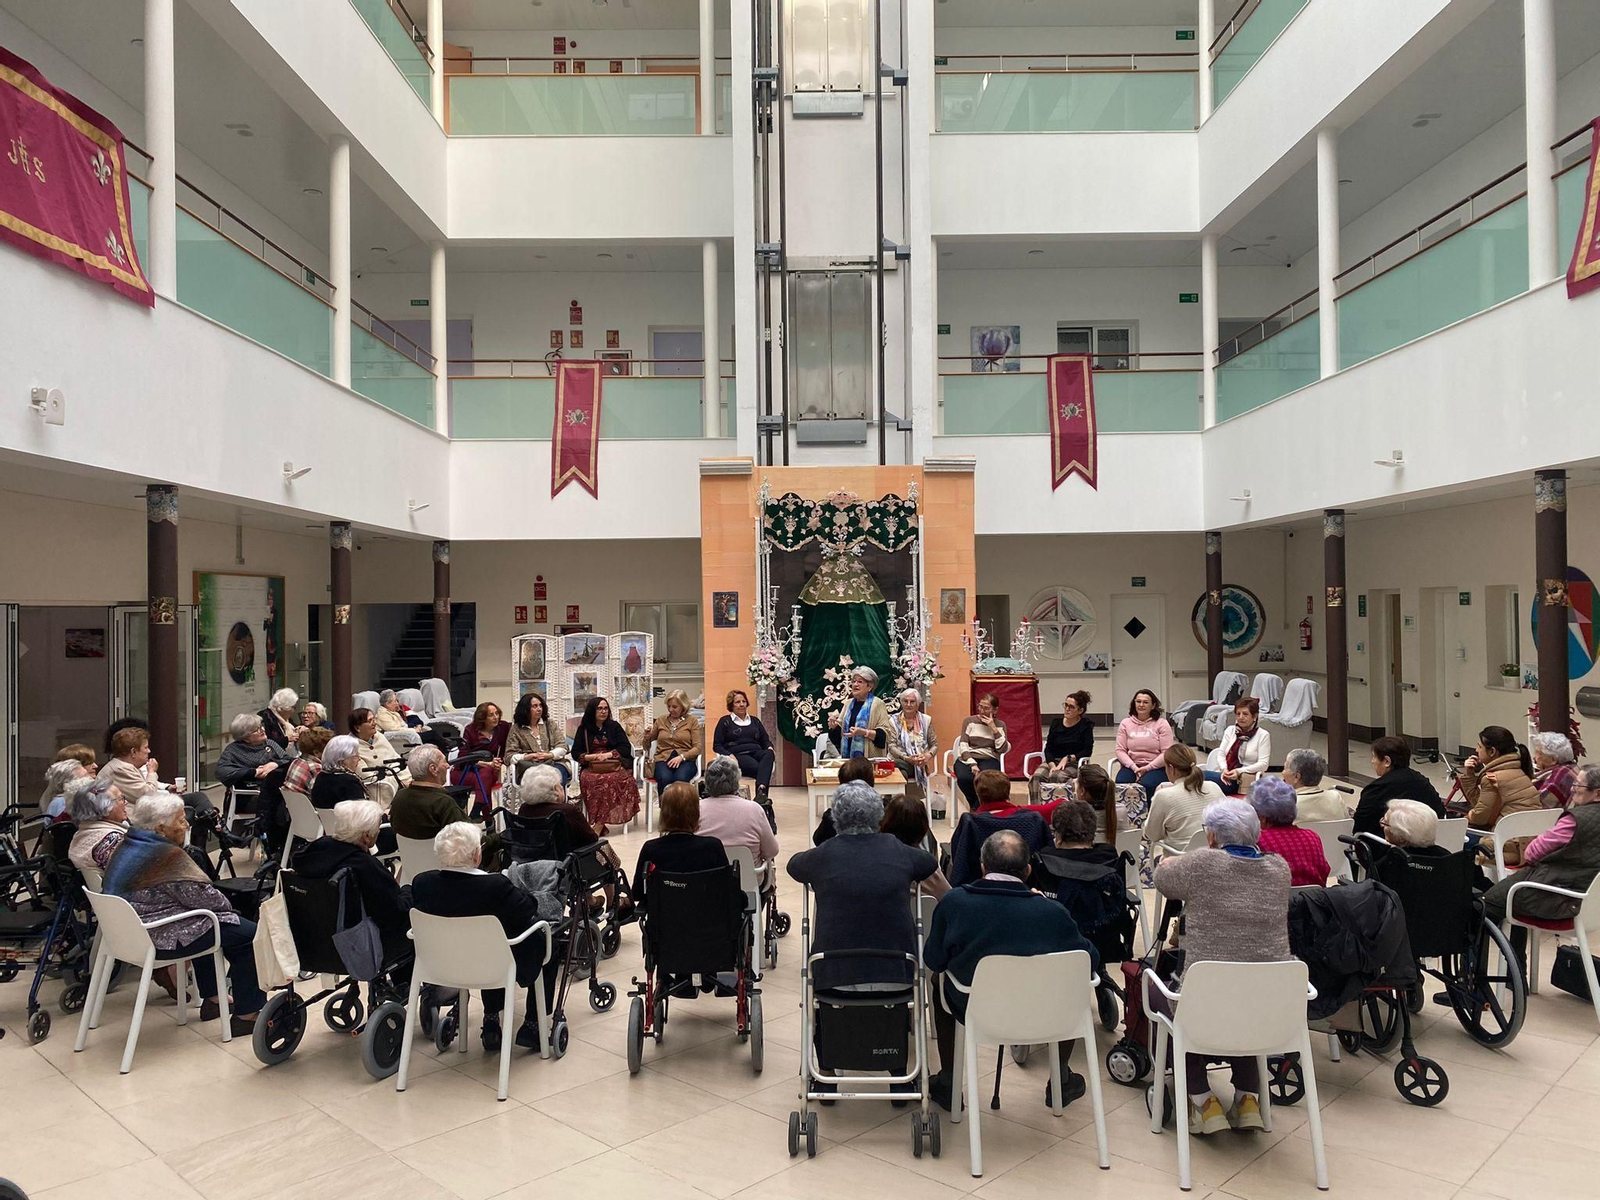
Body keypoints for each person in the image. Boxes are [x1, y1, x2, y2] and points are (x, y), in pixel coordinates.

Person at [924, 829, 1100, 1112]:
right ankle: (1060, 1077)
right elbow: (1089, 960)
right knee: (1074, 985)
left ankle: (948, 1080)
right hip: (1046, 1015)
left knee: (938, 980)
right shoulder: (1053, 912)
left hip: (976, 1009)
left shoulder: (955, 903)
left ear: (982, 867)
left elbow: (934, 959)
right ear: (1028, 871)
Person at [1151, 798, 1291, 1135]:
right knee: (1240, 998)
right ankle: (1247, 1099)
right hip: (1269, 1008)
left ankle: (1201, 1100)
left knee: (1161, 992)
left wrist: (1166, 860)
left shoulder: (1202, 864)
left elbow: (1162, 878)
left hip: (1205, 1004)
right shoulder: (1279, 869)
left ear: (1212, 837)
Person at [103, 794, 264, 1033]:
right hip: (158, 936)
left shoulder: (128, 844)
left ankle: (213, 1000)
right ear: (160, 828)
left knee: (201, 920)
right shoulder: (167, 857)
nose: (187, 825)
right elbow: (211, 901)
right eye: (180, 821)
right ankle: (247, 1015)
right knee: (249, 933)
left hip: (127, 934)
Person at [410, 822, 555, 1053]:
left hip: (444, 969)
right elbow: (528, 909)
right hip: (494, 966)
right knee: (545, 944)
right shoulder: (495, 886)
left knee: (486, 945)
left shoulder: (422, 883)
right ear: (477, 855)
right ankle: (532, 1025)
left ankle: (490, 1020)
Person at [786, 784, 936, 994]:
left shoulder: (824, 854)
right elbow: (929, 862)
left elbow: (793, 865)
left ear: (836, 817)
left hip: (833, 974)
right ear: (878, 816)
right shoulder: (897, 849)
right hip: (896, 972)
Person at [1478, 763, 1600, 966]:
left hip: (1559, 895)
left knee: (1483, 907)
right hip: (1588, 899)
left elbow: (1532, 852)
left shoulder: (1574, 821)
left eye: (1578, 786)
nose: (1572, 790)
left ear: (1597, 794)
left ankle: (1477, 980)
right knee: (1514, 899)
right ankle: (1515, 973)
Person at [292, 799, 412, 965]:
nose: (379, 831)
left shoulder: (311, 854)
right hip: (362, 946)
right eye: (377, 827)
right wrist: (408, 890)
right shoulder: (365, 866)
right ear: (366, 836)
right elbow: (396, 911)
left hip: (312, 942)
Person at [630, 782, 730, 905]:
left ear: (663, 814)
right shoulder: (712, 847)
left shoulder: (651, 849)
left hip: (663, 921)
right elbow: (727, 891)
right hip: (707, 921)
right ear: (696, 812)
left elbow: (637, 893)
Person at [215, 713, 294, 852]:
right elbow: (222, 772)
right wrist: (254, 772)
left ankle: (283, 848)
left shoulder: (270, 743)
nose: (262, 729)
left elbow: (289, 760)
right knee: (281, 807)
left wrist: (274, 765)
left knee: (287, 803)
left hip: (273, 792)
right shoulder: (233, 751)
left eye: (261, 726)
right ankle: (275, 849)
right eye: (256, 729)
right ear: (245, 737)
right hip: (248, 796)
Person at [696, 755, 780, 876]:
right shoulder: (754, 809)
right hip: (749, 880)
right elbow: (772, 851)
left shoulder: (695, 810)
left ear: (707, 782)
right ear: (736, 782)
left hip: (705, 881)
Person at [1353, 736, 1444, 836]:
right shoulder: (1422, 781)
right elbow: (1439, 812)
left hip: (1387, 847)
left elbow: (1360, 826)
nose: (1372, 761)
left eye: (1374, 757)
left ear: (1387, 761)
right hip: (1426, 844)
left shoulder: (1376, 789)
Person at [1460, 725, 1540, 838]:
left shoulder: (1493, 779)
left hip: (1507, 842)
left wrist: (1464, 819)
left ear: (1492, 751)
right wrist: (1469, 773)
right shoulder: (1518, 770)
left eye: (1479, 746)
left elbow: (1481, 817)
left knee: (1456, 837)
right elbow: (1483, 804)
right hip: (1528, 834)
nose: (1476, 750)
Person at [1144, 743, 1226, 852]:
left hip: (1179, 861)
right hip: (1214, 856)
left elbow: (1152, 835)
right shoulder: (1214, 787)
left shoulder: (1163, 796)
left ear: (1171, 768)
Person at [1249, 776, 1329, 887]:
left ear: (1262, 818)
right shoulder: (1312, 837)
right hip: (1314, 901)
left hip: (1277, 902)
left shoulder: (1258, 840)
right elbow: (1324, 872)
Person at [713, 688, 776, 809]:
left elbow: (765, 740)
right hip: (738, 755)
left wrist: (769, 747)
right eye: (737, 702)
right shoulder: (725, 722)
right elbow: (717, 745)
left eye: (743, 701)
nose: (741, 704)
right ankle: (762, 797)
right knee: (760, 769)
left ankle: (760, 792)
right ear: (731, 705)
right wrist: (728, 755)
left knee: (769, 753)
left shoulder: (755, 721)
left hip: (757, 752)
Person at [1030, 690, 1095, 803]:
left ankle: (1059, 809)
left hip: (1073, 763)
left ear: (1080, 710)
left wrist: (1068, 758)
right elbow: (1048, 748)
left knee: (1057, 777)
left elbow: (1087, 750)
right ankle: (1037, 809)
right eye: (1065, 705)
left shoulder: (1085, 726)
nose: (1067, 709)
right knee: (1036, 777)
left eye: (1071, 707)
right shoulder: (1056, 723)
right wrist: (1052, 765)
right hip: (1053, 761)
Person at [516, 763, 602, 849]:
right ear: (555, 789)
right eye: (560, 784)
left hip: (530, 858)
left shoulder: (524, 809)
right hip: (566, 859)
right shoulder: (567, 811)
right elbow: (592, 839)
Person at [882, 793, 950, 898]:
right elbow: (949, 897)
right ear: (923, 827)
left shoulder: (874, 861)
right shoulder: (927, 866)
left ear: (886, 822)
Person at [951, 693, 1010, 810]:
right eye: (980, 706)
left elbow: (1002, 749)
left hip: (989, 758)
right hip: (968, 757)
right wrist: (972, 763)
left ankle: (978, 809)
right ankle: (978, 807)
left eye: (986, 708)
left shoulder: (1000, 725)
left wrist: (993, 728)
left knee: (988, 781)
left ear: (995, 709)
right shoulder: (969, 721)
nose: (982, 711)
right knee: (964, 778)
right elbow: (963, 744)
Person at [825, 667, 895, 762]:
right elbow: (839, 736)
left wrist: (864, 732)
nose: (855, 684)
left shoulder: (878, 704)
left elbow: (884, 736)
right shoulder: (848, 704)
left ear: (869, 687)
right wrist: (834, 727)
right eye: (853, 681)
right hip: (847, 759)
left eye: (860, 682)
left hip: (869, 761)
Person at [641, 689, 703, 796]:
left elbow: (697, 747)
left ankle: (682, 810)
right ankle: (666, 810)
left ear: (683, 706)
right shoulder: (661, 720)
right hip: (662, 759)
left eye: (674, 707)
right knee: (665, 778)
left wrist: (682, 757)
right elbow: (646, 746)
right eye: (669, 706)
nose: (671, 709)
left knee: (680, 779)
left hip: (685, 761)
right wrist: (647, 738)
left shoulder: (692, 721)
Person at [1115, 689, 1174, 797]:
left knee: (1148, 784)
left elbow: (1167, 752)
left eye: (1145, 702)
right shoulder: (1125, 723)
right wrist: (1134, 768)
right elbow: (1120, 750)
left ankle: (1150, 813)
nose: (1141, 705)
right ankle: (1126, 813)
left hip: (1156, 767)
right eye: (1138, 701)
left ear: (1153, 705)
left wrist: (1147, 768)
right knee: (1121, 783)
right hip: (1132, 766)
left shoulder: (1162, 724)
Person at [98, 726, 179, 805]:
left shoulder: (126, 766)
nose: (149, 751)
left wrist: (168, 788)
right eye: (146, 747)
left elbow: (142, 790)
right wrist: (151, 772)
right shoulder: (120, 769)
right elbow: (148, 796)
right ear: (133, 752)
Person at [505, 692, 571, 788]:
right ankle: (540, 802)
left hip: (552, 762)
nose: (539, 709)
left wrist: (549, 755)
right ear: (525, 709)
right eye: (535, 706)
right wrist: (528, 756)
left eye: (540, 705)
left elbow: (563, 746)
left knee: (558, 774)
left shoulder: (549, 724)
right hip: (529, 766)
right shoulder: (516, 729)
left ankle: (557, 802)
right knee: (538, 779)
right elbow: (509, 756)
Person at [884, 688, 938, 804]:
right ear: (901, 702)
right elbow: (891, 746)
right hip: (900, 759)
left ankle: (889, 803)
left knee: (896, 769)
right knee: (900, 771)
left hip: (918, 764)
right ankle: (903, 807)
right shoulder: (893, 720)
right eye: (905, 701)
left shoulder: (926, 720)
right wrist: (906, 758)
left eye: (912, 702)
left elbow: (934, 745)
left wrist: (927, 756)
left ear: (918, 704)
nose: (908, 704)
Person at [67, 778, 128, 877]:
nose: (126, 803)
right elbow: (131, 876)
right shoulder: (112, 840)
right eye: (121, 799)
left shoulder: (82, 832)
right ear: (106, 807)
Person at [351, 707, 409, 807]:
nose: (375, 723)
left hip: (398, 779)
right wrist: (399, 782)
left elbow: (395, 759)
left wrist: (404, 779)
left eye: (374, 719)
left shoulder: (380, 737)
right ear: (357, 728)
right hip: (377, 789)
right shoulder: (350, 746)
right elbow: (366, 776)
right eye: (370, 721)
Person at [1213, 698, 1271, 796]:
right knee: (1196, 776)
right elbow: (1221, 754)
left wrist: (1238, 771)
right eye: (1238, 714)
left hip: (1243, 780)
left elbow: (1263, 764)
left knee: (1201, 776)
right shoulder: (1230, 731)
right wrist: (1225, 770)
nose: (1241, 717)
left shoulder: (1263, 735)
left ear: (1254, 716)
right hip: (1224, 775)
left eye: (1245, 714)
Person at [454, 702, 509, 794]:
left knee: (486, 774)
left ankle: (478, 807)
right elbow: (462, 757)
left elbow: (507, 751)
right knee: (484, 778)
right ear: (482, 718)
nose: (496, 717)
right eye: (491, 715)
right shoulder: (470, 730)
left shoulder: (503, 727)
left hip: (491, 771)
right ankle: (485, 808)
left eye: (497, 713)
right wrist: (486, 763)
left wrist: (499, 761)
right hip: (468, 770)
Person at [1283, 749, 1349, 824]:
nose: (1282, 773)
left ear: (1297, 777)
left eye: (1285, 768)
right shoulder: (1335, 797)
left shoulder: (1287, 805)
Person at [310, 734, 367, 811]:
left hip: (327, 822)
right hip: (350, 822)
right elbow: (362, 814)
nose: (359, 758)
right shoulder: (349, 782)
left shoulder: (321, 776)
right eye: (356, 755)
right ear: (342, 762)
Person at [1380, 797, 1450, 855]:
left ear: (1402, 839)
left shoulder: (1395, 861)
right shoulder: (1447, 857)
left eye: (1385, 823)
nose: (1381, 824)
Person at [1530, 731, 1579, 809]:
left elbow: (1538, 806)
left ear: (1553, 760)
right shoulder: (1572, 767)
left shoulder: (1560, 775)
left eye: (1539, 753)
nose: (1534, 757)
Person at [284, 727, 332, 797]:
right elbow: (321, 796)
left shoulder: (296, 761)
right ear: (317, 752)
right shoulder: (316, 767)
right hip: (307, 806)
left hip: (292, 805)